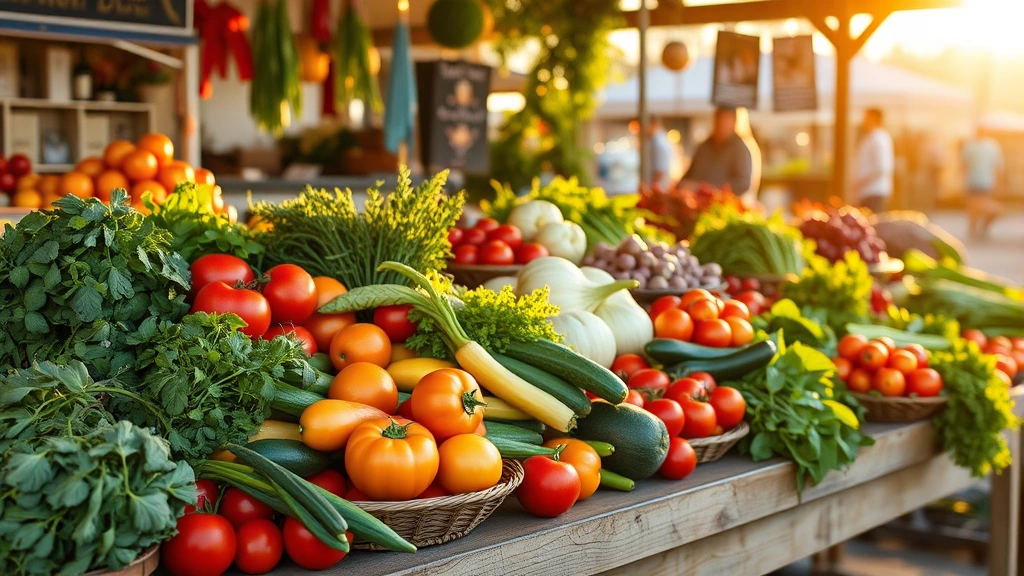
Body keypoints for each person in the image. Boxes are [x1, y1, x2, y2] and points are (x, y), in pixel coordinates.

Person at [677, 107, 752, 194]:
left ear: (734, 122)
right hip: (694, 202)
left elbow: (743, 184)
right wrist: (681, 185)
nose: (721, 124)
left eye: (725, 120)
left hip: (721, 203)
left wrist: (705, 188)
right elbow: (688, 176)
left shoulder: (740, 149)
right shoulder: (703, 147)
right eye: (718, 120)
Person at [961, 126, 1005, 239]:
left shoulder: (991, 145)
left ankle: (981, 229)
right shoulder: (971, 145)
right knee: (973, 209)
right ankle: (974, 231)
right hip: (973, 182)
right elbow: (964, 165)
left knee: (987, 209)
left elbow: (997, 166)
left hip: (986, 183)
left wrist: (999, 184)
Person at [853, 108, 894, 213]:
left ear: (874, 119)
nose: (863, 121)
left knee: (873, 225)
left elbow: (882, 168)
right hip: (867, 192)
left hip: (874, 192)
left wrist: (861, 182)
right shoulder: (872, 137)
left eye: (866, 118)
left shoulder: (879, 138)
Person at [644, 116, 675, 190]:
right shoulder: (658, 140)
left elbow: (660, 170)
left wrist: (652, 188)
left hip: (658, 189)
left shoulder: (658, 143)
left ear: (653, 124)